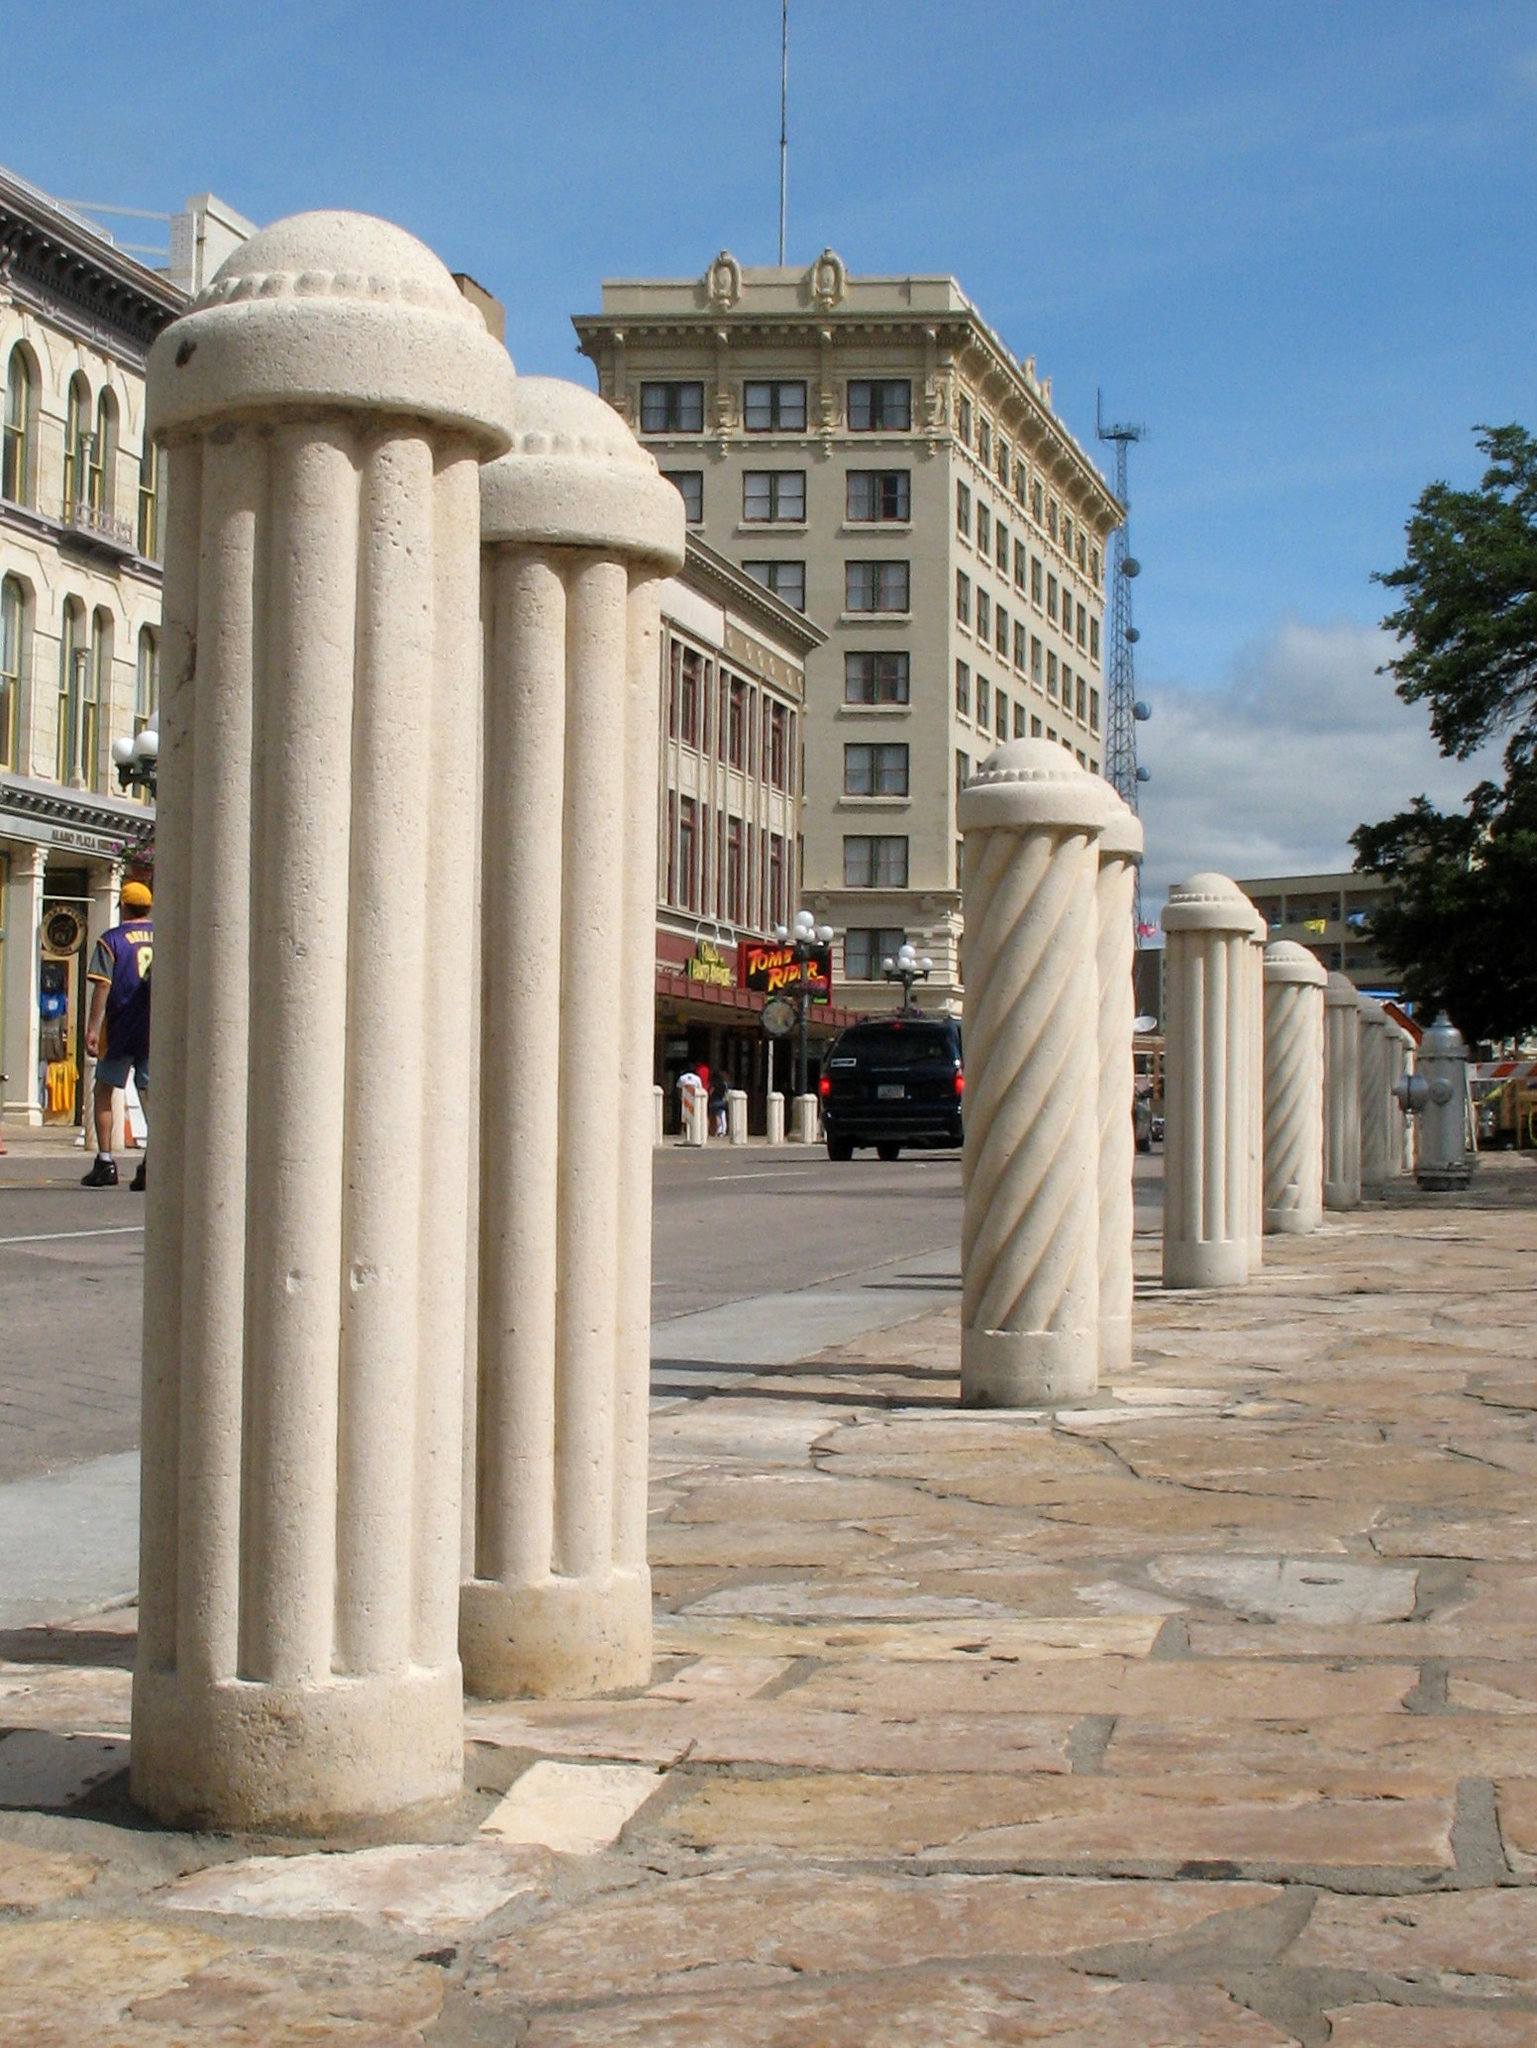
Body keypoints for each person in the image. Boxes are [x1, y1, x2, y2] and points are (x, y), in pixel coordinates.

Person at [81, 878, 153, 1190]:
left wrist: (93, 1028)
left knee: (104, 1090)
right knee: (152, 1096)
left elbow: (103, 984)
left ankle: (106, 1161)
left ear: (123, 905)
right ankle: (152, 1162)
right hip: (154, 1027)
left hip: (121, 1026)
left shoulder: (112, 940)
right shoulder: (163, 937)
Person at [708, 1071, 728, 1138]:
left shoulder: (714, 1084)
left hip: (714, 1101)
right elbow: (726, 1092)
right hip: (721, 1101)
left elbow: (711, 1092)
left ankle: (718, 1130)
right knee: (722, 1115)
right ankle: (723, 1130)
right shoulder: (724, 1084)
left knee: (717, 1116)